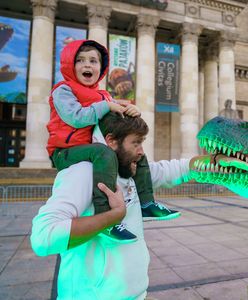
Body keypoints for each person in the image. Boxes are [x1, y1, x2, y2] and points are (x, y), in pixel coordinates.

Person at [31, 112, 195, 300]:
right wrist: (113, 216)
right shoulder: (83, 172)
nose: (141, 151)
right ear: (111, 141)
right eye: (136, 143)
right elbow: (43, 237)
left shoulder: (130, 169)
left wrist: (211, 162)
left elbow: (169, 170)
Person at [46, 39, 179, 243]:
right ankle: (104, 215)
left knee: (133, 148)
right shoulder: (63, 90)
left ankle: (147, 204)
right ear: (70, 66)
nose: (87, 65)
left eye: (93, 60)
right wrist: (108, 106)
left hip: (88, 148)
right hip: (64, 152)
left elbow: (115, 112)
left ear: (101, 67)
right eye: (80, 60)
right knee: (104, 152)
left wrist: (131, 110)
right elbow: (75, 117)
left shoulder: (102, 95)